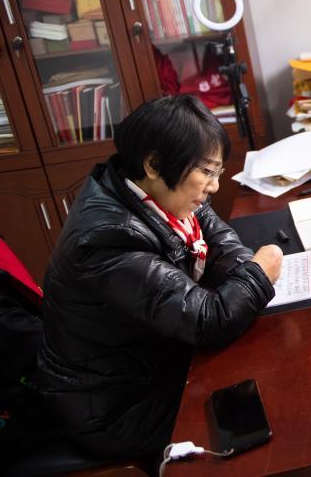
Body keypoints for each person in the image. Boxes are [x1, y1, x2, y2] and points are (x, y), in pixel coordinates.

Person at [36, 95, 283, 461]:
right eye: (207, 173)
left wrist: (244, 268)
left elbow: (217, 236)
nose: (214, 187)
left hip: (159, 361)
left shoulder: (154, 191)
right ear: (154, 164)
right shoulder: (108, 238)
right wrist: (257, 275)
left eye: (217, 173)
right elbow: (207, 320)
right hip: (120, 407)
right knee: (273, 399)